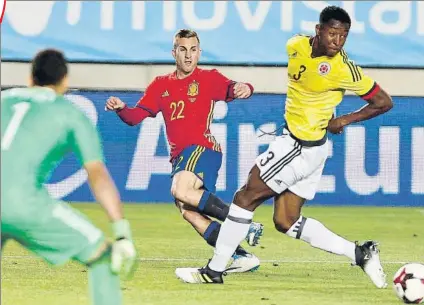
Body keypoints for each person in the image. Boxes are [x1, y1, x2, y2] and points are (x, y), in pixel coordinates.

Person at [175, 6, 393, 288]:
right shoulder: (295, 46)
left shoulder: (343, 69)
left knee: (245, 197)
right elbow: (302, 89)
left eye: (344, 36)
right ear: (318, 30)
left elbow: (384, 102)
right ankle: (361, 254)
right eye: (332, 33)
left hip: (299, 147)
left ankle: (213, 271)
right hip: (306, 146)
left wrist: (345, 120)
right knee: (286, 220)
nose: (337, 41)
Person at [106, 29, 263, 272]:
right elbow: (135, 117)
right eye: (183, 50)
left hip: (203, 149)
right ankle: (241, 256)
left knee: (180, 189)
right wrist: (121, 108)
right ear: (174, 53)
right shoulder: (160, 85)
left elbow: (235, 88)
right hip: (181, 158)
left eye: (193, 50)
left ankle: (242, 223)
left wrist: (247, 87)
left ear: (199, 53)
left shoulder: (209, 78)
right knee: (188, 211)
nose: (188, 56)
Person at [1, 49, 138, 305]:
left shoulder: (4, 99)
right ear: (65, 80)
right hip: (22, 205)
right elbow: (97, 175)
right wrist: (121, 231)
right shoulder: (70, 113)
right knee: (104, 256)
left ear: (30, 78)